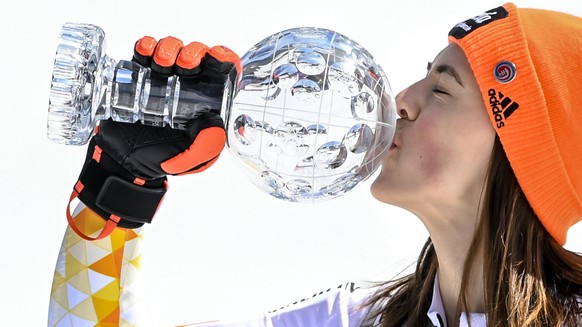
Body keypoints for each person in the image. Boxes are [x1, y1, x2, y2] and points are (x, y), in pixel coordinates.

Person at [48, 2, 582, 326]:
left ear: (524, 153)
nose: (403, 100)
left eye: (443, 89)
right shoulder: (356, 321)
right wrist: (117, 188)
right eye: (423, 75)